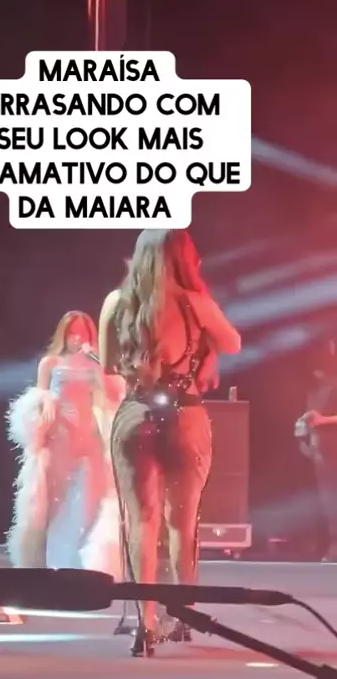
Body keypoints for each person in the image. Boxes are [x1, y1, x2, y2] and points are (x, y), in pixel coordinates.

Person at [98, 229, 241, 656]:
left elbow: (108, 365)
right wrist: (204, 349)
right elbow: (233, 343)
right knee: (183, 522)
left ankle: (145, 622)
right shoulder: (196, 302)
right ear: (185, 257)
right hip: (185, 413)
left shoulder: (116, 302)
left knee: (140, 522)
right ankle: (185, 615)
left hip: (135, 413)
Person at [7, 310, 124, 577]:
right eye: (73, 332)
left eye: (83, 332)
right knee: (57, 501)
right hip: (60, 437)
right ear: (64, 333)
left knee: (88, 501)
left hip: (89, 437)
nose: (77, 338)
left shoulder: (94, 365)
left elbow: (112, 396)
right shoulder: (51, 362)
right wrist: (47, 399)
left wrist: (99, 365)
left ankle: (84, 565)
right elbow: (39, 395)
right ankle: (55, 563)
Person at [294, 338, 337, 561]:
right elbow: (309, 417)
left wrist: (322, 421)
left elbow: (319, 418)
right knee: (328, 502)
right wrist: (302, 433)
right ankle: (332, 544)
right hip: (321, 452)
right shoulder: (314, 389)